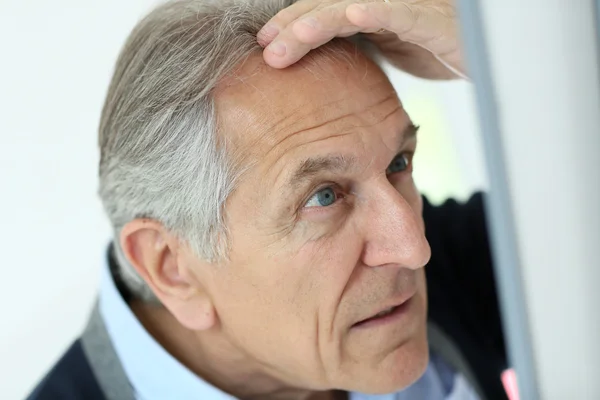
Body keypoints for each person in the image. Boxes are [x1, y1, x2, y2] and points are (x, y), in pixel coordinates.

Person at [28, 0, 507, 399]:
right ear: (173, 268)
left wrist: (501, 59)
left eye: (398, 163)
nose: (412, 247)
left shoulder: (445, 267)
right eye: (323, 196)